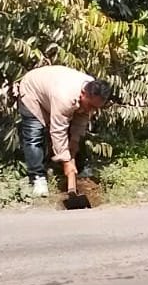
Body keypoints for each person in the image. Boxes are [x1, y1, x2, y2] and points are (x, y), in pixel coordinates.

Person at [17, 66, 112, 196]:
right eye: (90, 106)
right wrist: (66, 162)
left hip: (52, 92)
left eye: (96, 108)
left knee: (74, 141)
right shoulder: (64, 97)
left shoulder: (92, 89)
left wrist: (74, 142)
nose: (92, 110)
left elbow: (81, 120)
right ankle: (38, 178)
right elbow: (57, 131)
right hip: (32, 92)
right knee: (35, 136)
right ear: (83, 93)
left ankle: (75, 171)